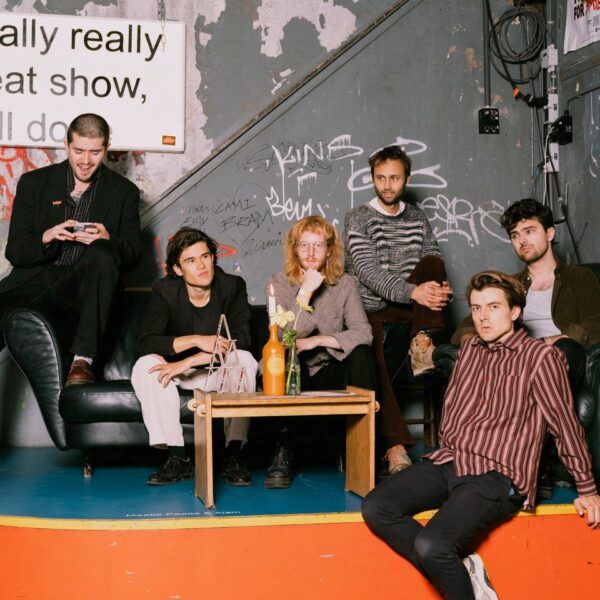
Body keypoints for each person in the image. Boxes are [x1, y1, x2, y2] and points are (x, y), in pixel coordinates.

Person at [362, 271, 600, 600]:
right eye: (476, 308)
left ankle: (449, 566)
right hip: (452, 460)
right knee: (376, 507)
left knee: (433, 545)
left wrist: (587, 487)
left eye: (493, 307)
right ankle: (459, 567)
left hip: (497, 474)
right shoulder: (471, 349)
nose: (483, 317)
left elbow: (565, 424)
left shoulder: (541, 358)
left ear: (515, 311)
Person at [450, 198, 600, 497]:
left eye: (530, 231)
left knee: (563, 350)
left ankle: (536, 462)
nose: (522, 240)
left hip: (561, 360)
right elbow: (465, 327)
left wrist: (549, 342)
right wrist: (476, 342)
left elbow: (595, 322)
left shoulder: (579, 278)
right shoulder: (511, 285)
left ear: (550, 233)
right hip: (516, 364)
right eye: (515, 235)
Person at [0, 113, 141, 385]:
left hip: (87, 290)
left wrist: (108, 238)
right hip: (37, 281)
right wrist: (46, 237)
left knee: (102, 252)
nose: (85, 161)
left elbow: (134, 256)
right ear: (66, 145)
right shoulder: (34, 183)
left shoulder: (125, 192)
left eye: (94, 152)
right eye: (78, 151)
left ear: (106, 149)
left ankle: (82, 361)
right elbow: (15, 252)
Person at [344, 144, 452, 475]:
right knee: (374, 358)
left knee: (433, 263)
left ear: (406, 179)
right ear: (372, 178)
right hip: (373, 310)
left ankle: (422, 341)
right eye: (381, 178)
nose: (387, 185)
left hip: (413, 313)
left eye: (394, 178)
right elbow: (368, 272)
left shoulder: (417, 216)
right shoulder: (358, 217)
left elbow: (433, 257)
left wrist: (438, 290)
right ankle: (394, 447)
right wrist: (415, 292)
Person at [131, 227, 258, 487]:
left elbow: (241, 339)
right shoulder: (165, 290)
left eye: (205, 256)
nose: (201, 266)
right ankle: (177, 456)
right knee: (145, 366)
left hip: (214, 370)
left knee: (244, 360)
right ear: (177, 269)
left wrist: (190, 360)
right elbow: (147, 341)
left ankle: (234, 453)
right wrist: (196, 340)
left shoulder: (232, 286)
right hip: (179, 374)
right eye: (191, 260)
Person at [265, 215, 374, 488]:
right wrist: (305, 292)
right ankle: (282, 449)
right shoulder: (278, 283)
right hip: (294, 370)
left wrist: (319, 341)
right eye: (304, 245)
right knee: (283, 356)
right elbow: (285, 337)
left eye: (318, 245)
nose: (311, 253)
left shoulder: (345, 283)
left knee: (362, 353)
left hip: (330, 369)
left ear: (329, 250)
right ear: (294, 249)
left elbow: (364, 333)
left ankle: (361, 450)